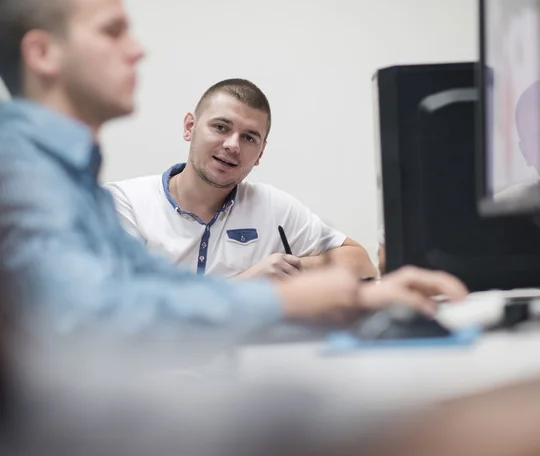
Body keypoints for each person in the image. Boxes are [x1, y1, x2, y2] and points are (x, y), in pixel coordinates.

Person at [0, 0, 467, 334]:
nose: (138, 49)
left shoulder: (68, 177)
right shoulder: (20, 173)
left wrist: (361, 296)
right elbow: (96, 321)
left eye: (249, 137)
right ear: (43, 54)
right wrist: (279, 298)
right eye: (112, 30)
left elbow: (148, 283)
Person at [106, 79, 377, 280]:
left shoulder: (272, 206)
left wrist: (288, 267)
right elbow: (123, 305)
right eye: (221, 127)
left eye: (249, 137)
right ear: (190, 127)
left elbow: (361, 262)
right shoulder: (124, 203)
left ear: (260, 153)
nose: (233, 145)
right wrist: (246, 284)